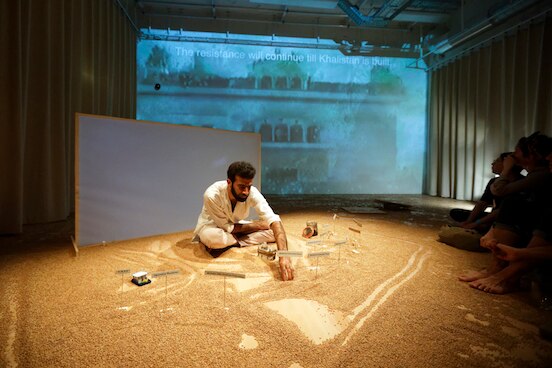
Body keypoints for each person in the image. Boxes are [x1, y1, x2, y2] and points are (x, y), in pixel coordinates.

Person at [459, 133, 552, 294]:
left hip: (530, 234)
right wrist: (491, 231)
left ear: (532, 156)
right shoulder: (537, 177)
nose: (549, 157)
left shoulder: (541, 176)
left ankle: (506, 275)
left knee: (514, 202)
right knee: (514, 202)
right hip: (529, 229)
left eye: (516, 152)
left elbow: (500, 192)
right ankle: (497, 269)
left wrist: (520, 253)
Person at [193, 161, 294, 281]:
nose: (246, 191)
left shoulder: (252, 193)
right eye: (242, 187)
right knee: (213, 238)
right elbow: (227, 228)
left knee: (275, 232)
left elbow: (274, 219)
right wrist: (256, 225)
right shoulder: (212, 195)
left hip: (236, 227)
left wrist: (284, 255)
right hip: (212, 227)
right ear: (229, 182)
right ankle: (235, 239)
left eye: (249, 186)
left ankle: (235, 242)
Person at [449, 152, 522, 232]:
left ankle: (486, 227)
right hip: (493, 217)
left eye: (497, 161)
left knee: (501, 222)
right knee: (457, 213)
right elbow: (482, 203)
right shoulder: (494, 181)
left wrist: (475, 223)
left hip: (507, 219)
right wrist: (468, 221)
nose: (492, 163)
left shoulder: (520, 183)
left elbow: (500, 211)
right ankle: (485, 226)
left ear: (507, 165)